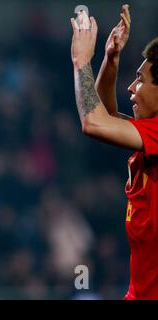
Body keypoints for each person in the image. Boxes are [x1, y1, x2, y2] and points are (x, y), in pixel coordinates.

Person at [71, 4, 158, 299]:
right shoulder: (148, 141)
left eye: (142, 80)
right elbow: (106, 116)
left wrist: (81, 61)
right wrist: (111, 59)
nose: (131, 88)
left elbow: (94, 123)